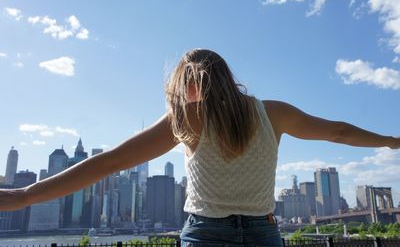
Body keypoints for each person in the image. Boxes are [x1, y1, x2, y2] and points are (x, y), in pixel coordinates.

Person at [0, 49, 399, 246]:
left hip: (206, 235)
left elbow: (112, 161)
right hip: (264, 234)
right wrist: (390, 141)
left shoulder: (188, 117)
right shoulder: (273, 113)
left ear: (190, 83)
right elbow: (340, 132)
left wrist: (25, 195)